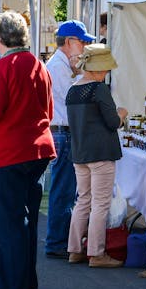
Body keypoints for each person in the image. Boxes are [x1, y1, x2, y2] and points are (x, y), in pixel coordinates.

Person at [0, 11, 56, 289]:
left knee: (10, 223)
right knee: (26, 221)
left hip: (8, 151)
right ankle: (26, 284)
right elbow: (48, 109)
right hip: (36, 149)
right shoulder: (38, 63)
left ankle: (13, 287)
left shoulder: (3, 67)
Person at [66, 44, 128, 269]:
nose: (106, 73)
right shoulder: (99, 90)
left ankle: (74, 249)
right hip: (101, 153)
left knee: (83, 201)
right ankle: (96, 253)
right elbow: (112, 122)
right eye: (105, 69)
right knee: (100, 204)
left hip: (80, 152)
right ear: (97, 68)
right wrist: (122, 114)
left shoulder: (73, 90)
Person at [44, 20, 95, 259]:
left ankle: (59, 240)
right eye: (82, 41)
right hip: (62, 131)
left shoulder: (61, 64)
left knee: (65, 188)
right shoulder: (58, 66)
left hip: (62, 130)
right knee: (64, 188)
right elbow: (76, 97)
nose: (85, 46)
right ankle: (57, 241)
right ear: (69, 42)